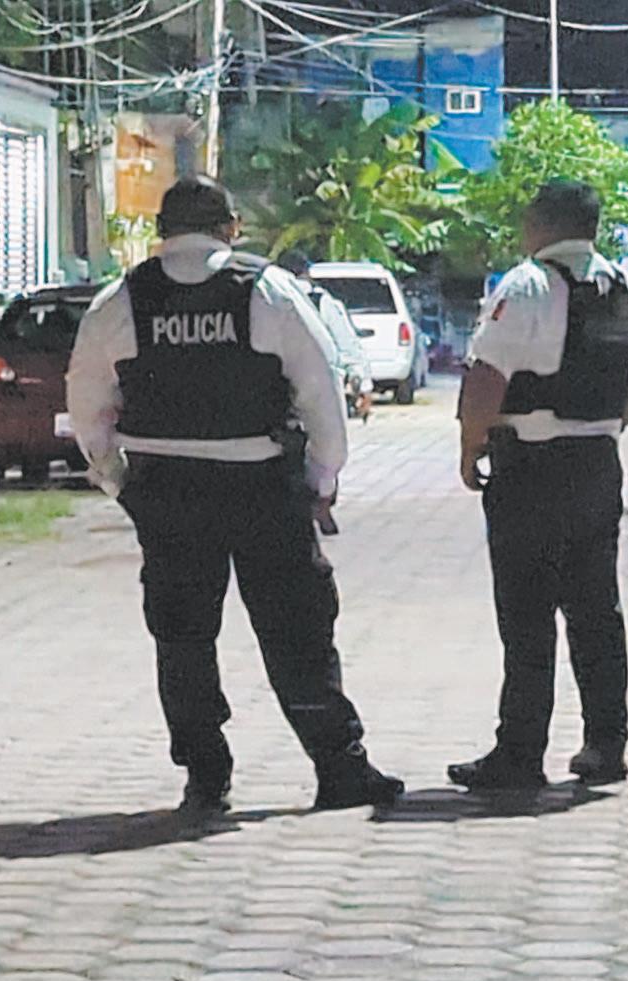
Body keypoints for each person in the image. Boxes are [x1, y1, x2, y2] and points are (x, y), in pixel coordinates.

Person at [66, 176, 403, 817]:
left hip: (167, 490)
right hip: (261, 488)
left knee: (182, 637)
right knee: (298, 631)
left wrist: (115, 477)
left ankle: (204, 775)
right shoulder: (267, 289)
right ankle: (339, 767)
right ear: (229, 227)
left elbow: (87, 401)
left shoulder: (122, 299)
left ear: (162, 229)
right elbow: (320, 390)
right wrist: (322, 479)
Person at [448, 179, 628, 792]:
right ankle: (606, 745)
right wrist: (599, 424)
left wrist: (471, 447)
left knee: (527, 616)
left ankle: (520, 755)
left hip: (530, 470)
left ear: (541, 223)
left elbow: (486, 379)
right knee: (596, 611)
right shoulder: (625, 291)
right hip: (595, 467)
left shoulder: (526, 286)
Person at [276, 250, 374, 421]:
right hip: (319, 388)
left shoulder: (266, 299)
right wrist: (363, 386)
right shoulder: (321, 301)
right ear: (306, 272)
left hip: (277, 389)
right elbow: (347, 347)